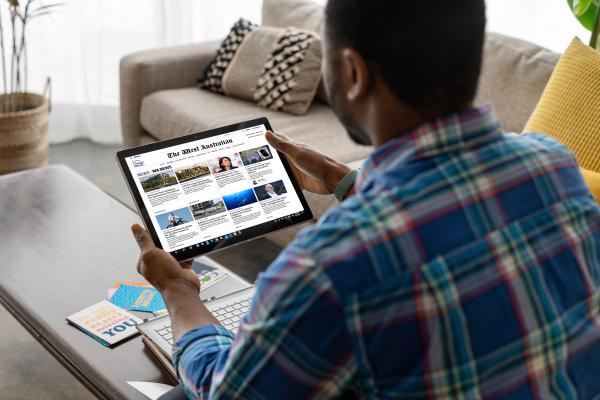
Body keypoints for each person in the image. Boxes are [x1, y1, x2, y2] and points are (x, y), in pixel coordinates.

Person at [130, 1, 600, 398]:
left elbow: (226, 390)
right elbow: (445, 220)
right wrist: (344, 180)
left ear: (352, 72)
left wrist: (178, 290)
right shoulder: (552, 165)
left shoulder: (331, 266)